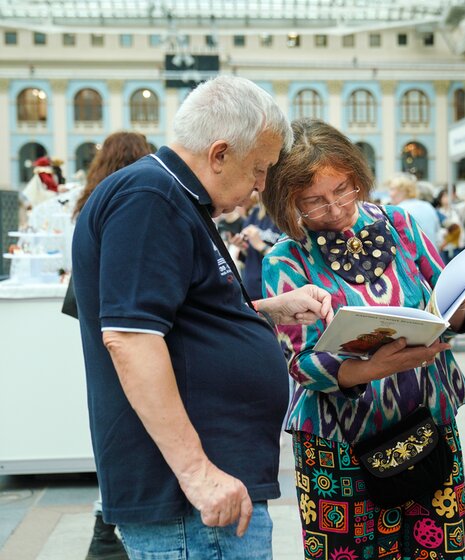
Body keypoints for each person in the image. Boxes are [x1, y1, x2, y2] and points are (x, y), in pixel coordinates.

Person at [71, 76, 333, 559]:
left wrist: (266, 312)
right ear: (219, 153)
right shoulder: (151, 198)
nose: (258, 187)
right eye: (258, 169)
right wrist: (198, 473)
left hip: (209, 490)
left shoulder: (173, 198)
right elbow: (131, 338)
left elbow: (183, 321)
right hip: (192, 498)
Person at [260, 118, 465, 560]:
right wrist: (369, 369)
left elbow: (443, 306)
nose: (336, 208)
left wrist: (463, 299)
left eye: (343, 189)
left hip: (427, 425)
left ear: (357, 177)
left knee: (435, 551)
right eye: (315, 202)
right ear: (288, 204)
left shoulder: (400, 224)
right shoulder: (285, 259)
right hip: (339, 447)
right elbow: (300, 361)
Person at [68, 131, 152, 560]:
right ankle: (106, 534)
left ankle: (105, 528)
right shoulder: (140, 200)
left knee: (116, 433)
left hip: (101, 327)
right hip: (124, 330)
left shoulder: (93, 200)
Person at [227, 194, 282, 300]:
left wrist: (261, 245)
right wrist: (242, 246)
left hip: (274, 292)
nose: (254, 193)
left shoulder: (284, 218)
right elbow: (248, 256)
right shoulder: (255, 214)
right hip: (251, 291)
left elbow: (288, 260)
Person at [387, 172, 441, 244]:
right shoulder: (428, 206)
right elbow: (437, 233)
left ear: (403, 190)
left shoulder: (397, 211)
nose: (389, 194)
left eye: (392, 189)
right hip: (432, 253)